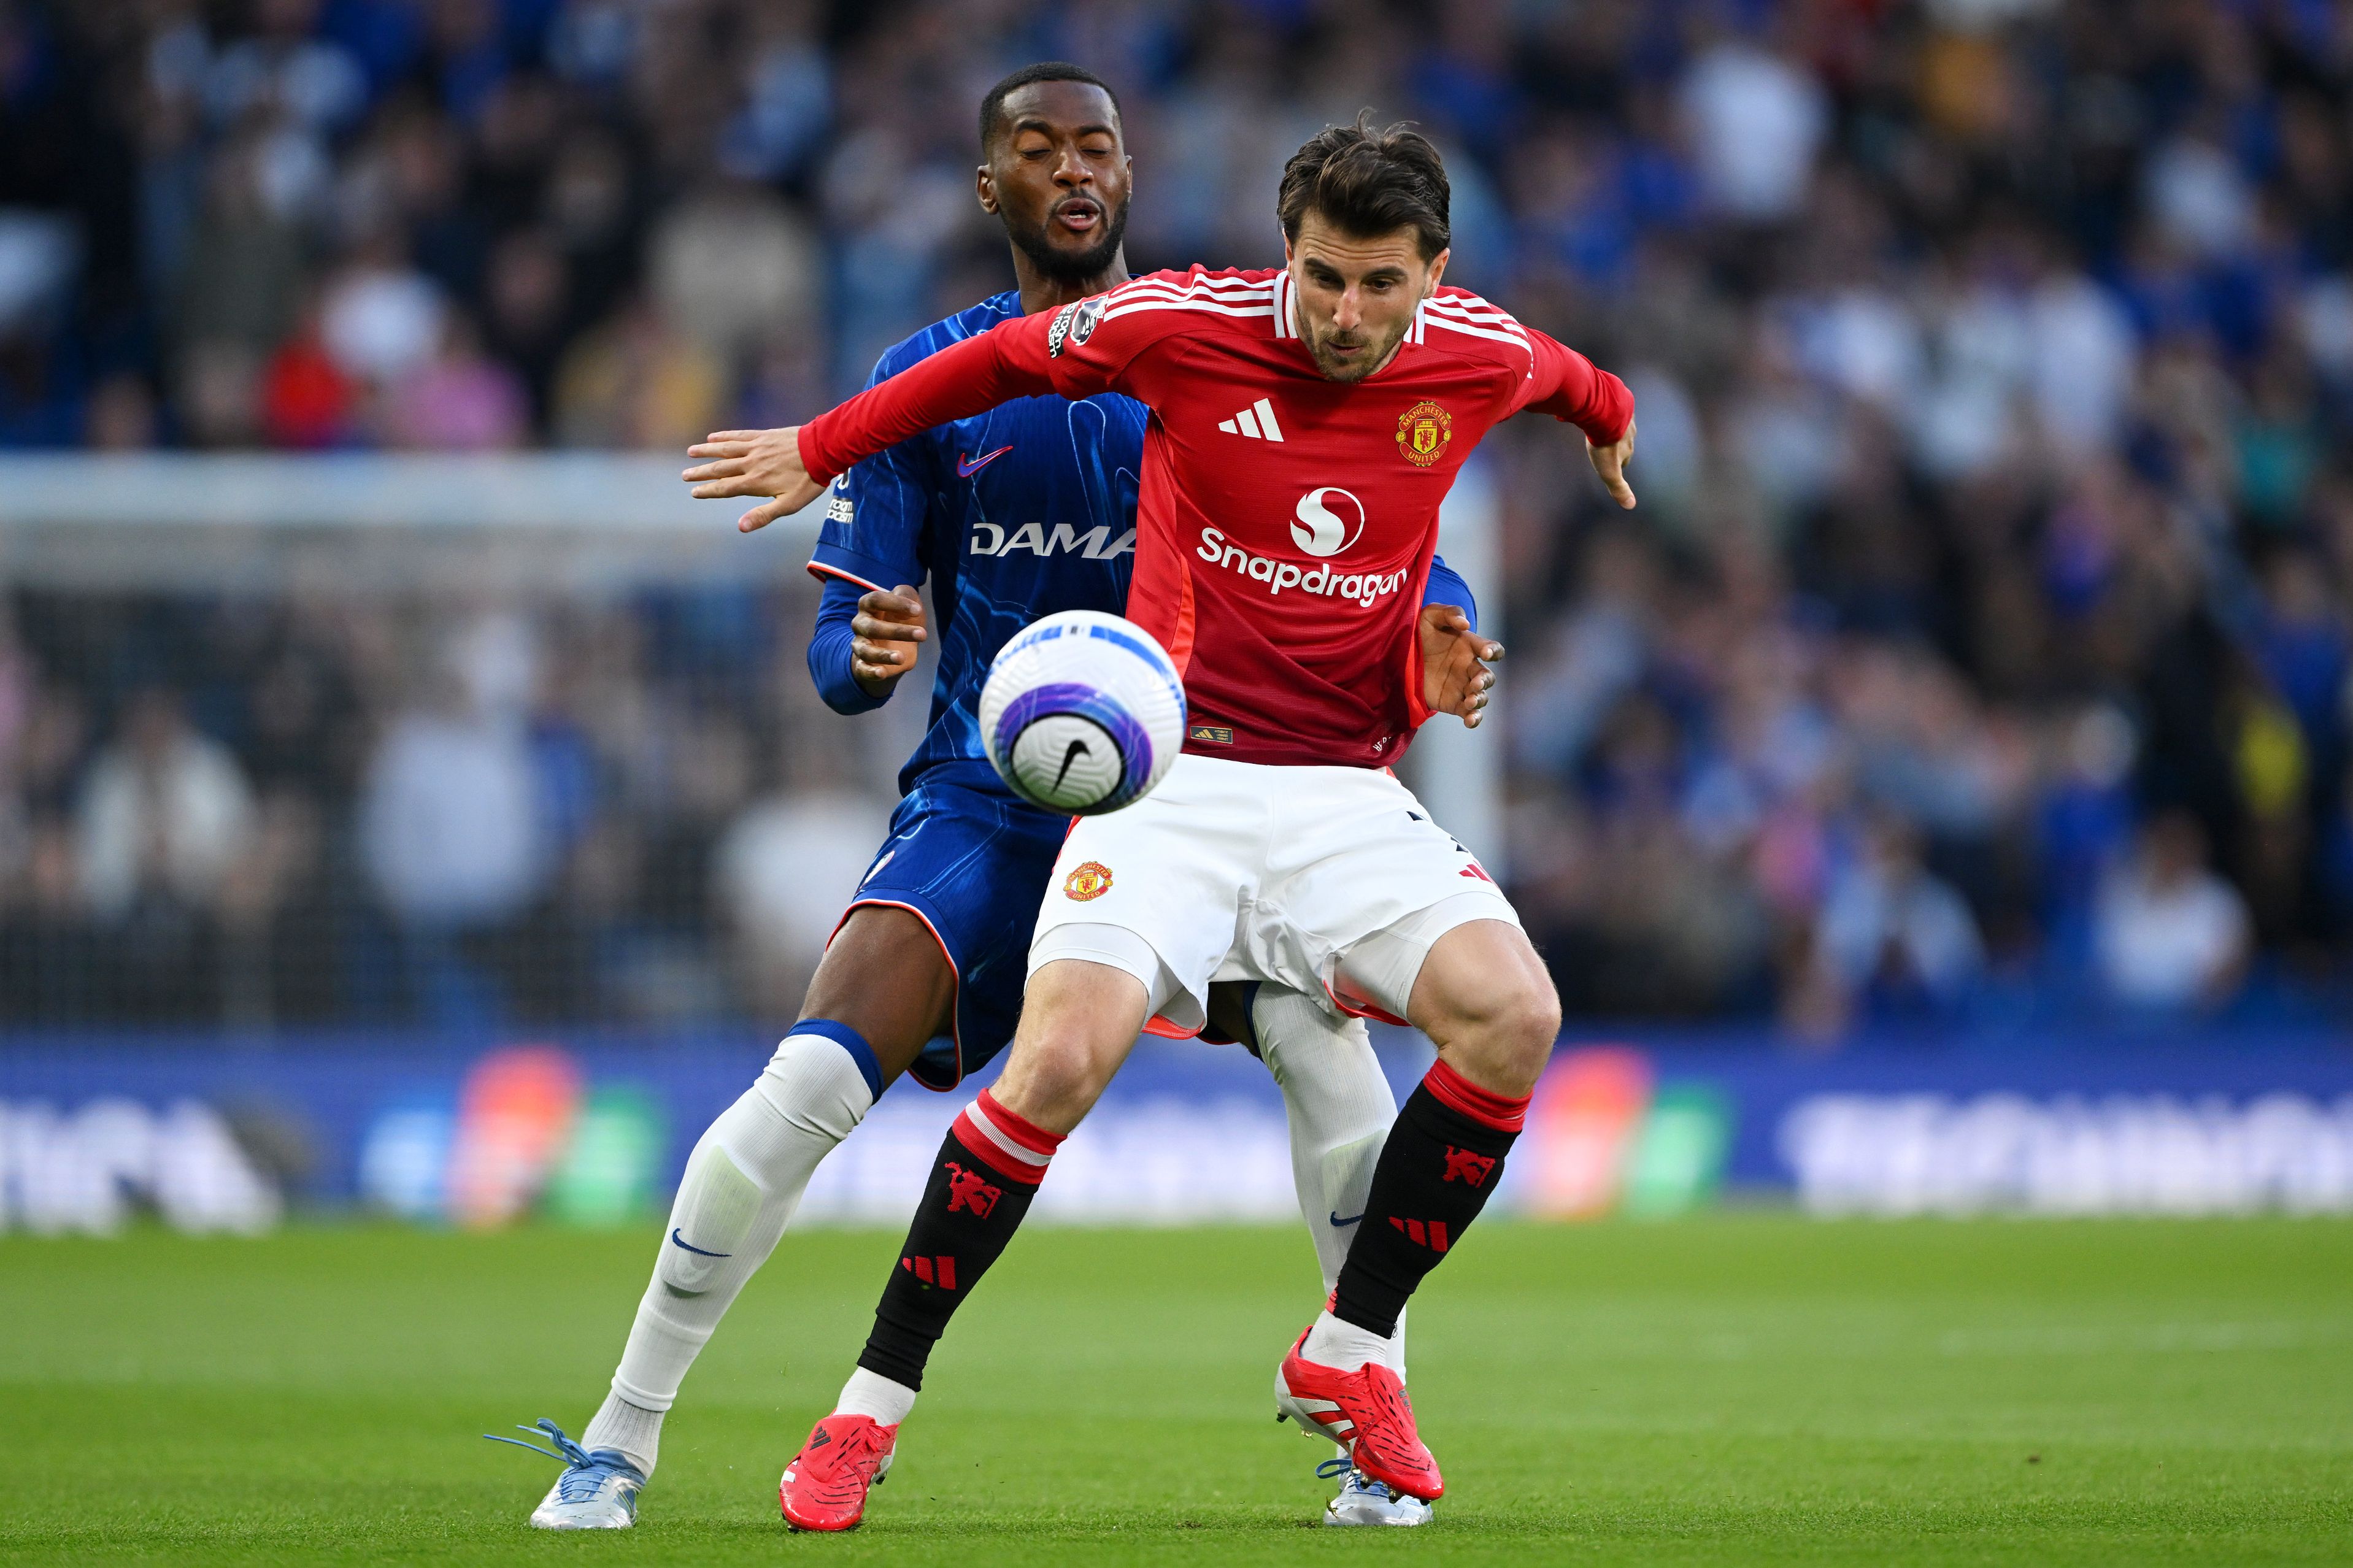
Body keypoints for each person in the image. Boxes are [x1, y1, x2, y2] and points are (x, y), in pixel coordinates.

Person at [499, 65, 1492, 1532]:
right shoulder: (932, 380)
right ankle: (618, 1437)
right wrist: (864, 648)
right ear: (990, 187)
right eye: (1038, 149)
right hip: (991, 799)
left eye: (1098, 148)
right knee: (805, 1084)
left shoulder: (1226, 345)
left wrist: (1443, 613)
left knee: (1330, 1056)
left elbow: (1376, 532)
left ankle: (1362, 1414)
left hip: (1201, 794)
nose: (1073, 171)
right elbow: (840, 656)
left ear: (1130, 179)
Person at [686, 115, 1635, 1526]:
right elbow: (988, 364)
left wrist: (1609, 435)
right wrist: (823, 448)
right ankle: (864, 1412)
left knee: (1516, 1018)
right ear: (1287, 251)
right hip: (1174, 782)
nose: (1345, 313)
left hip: (1341, 794)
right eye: (1322, 276)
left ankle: (1348, 1349)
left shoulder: (1482, 354)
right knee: (1057, 1064)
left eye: (1380, 284)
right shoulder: (1182, 326)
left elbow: (1588, 385)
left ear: (1434, 275)